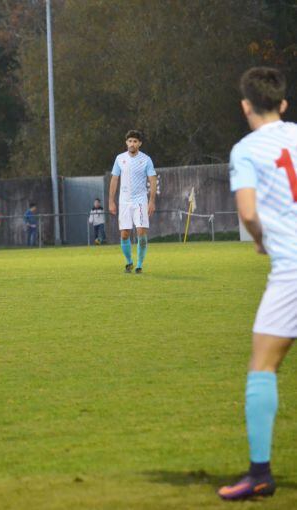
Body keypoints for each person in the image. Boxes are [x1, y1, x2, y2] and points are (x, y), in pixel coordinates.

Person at [217, 67, 297, 501]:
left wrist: (263, 241)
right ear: (283, 104)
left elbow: (248, 213)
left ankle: (261, 473)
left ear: (246, 106)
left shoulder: (246, 150)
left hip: (291, 270)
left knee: (263, 365)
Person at [108, 130, 156, 273]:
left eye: (135, 141)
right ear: (126, 142)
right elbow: (114, 179)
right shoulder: (119, 159)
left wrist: (152, 201)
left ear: (139, 143)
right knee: (124, 234)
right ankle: (129, 262)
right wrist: (111, 201)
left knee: (141, 232)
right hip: (124, 201)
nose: (132, 144)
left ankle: (140, 264)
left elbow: (152, 180)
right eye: (130, 141)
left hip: (140, 200)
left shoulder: (146, 159)